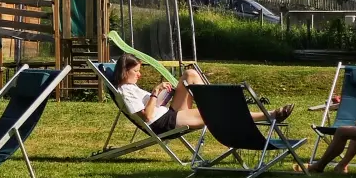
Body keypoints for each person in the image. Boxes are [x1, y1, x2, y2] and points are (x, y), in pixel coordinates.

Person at [112, 54, 293, 134]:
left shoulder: (132, 88)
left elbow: (154, 106)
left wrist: (166, 94)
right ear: (124, 71)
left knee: (190, 74)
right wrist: (155, 92)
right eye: (136, 71)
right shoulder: (125, 92)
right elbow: (147, 116)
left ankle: (217, 100)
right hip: (162, 122)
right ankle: (269, 116)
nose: (139, 74)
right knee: (213, 112)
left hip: (168, 112)